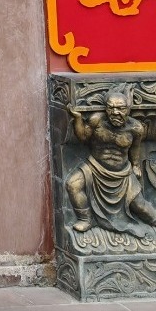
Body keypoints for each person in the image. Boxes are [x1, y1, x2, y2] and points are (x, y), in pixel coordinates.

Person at [66, 88, 156, 236]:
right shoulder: (96, 120)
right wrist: (77, 119)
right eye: (111, 108)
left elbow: (135, 148)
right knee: (73, 185)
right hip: (94, 167)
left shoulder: (136, 128)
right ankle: (85, 219)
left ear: (128, 108)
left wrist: (135, 165)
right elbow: (83, 137)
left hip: (122, 174)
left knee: (140, 206)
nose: (115, 112)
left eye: (120, 108)